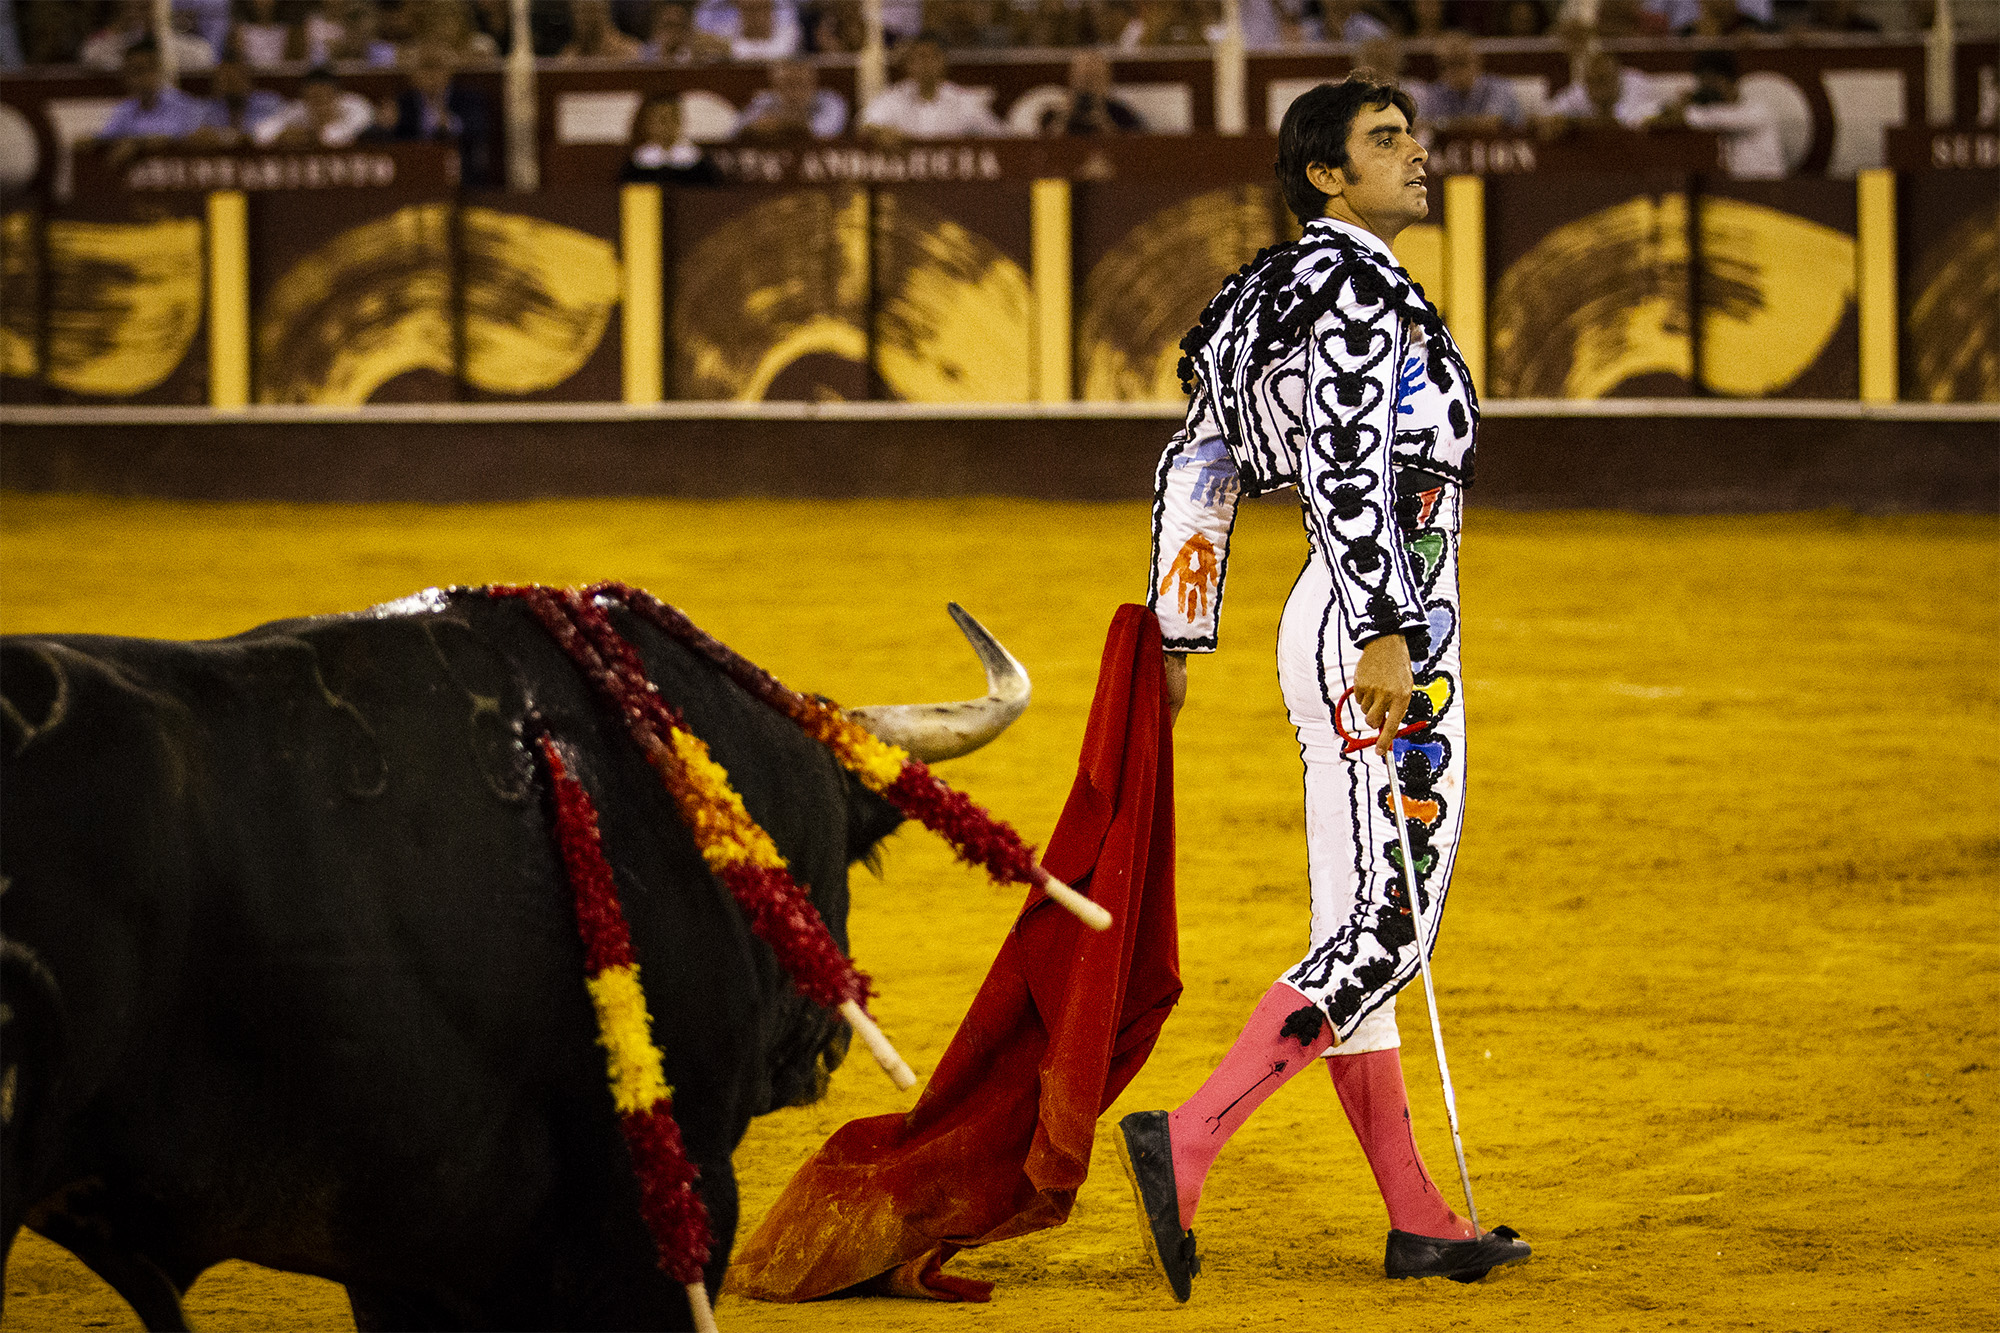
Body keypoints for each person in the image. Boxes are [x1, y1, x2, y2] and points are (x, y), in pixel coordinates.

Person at [1115, 75, 1531, 1302]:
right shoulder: (1354, 286)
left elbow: (1195, 461)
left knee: (1361, 926)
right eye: (1386, 141)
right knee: (1388, 928)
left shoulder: (1253, 298)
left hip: (1336, 616)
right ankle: (1188, 1134)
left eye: (1414, 135)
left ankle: (1415, 1216)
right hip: (1376, 626)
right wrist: (1390, 626)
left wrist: (1180, 636)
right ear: (1324, 176)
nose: (1419, 155)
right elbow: (1351, 468)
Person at [1651, 48, 1785, 179]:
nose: (1703, 89)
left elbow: (1714, 118)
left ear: (1721, 81)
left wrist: (1682, 109)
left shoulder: (1757, 110)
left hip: (1765, 189)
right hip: (1733, 192)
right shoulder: (1713, 111)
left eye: (1706, 82)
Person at [375, 41, 497, 184]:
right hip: (413, 175)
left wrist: (451, 123)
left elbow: (479, 129)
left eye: (437, 67)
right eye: (425, 68)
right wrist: (386, 128)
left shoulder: (467, 98)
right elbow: (391, 145)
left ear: (449, 71)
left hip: (460, 178)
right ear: (413, 75)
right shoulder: (402, 102)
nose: (431, 75)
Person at [857, 31, 1004, 142]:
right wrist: (880, 132)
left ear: (943, 62)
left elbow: (1002, 137)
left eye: (932, 57)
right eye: (920, 57)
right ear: (909, 64)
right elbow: (864, 124)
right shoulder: (894, 97)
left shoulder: (963, 100)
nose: (926, 64)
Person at [98, 40, 214, 144]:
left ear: (157, 70)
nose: (136, 79)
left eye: (141, 70)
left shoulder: (185, 106)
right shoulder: (126, 109)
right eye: (131, 73)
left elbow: (191, 140)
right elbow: (105, 140)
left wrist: (139, 145)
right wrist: (89, 141)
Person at [1414, 30, 1523, 133]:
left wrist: (1442, 124)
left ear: (1477, 61)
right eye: (1446, 65)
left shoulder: (1499, 87)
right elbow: (1419, 125)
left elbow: (1490, 124)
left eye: (1461, 62)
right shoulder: (1436, 92)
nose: (1454, 71)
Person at [1541, 47, 1658, 129]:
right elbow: (1545, 117)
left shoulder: (1638, 85)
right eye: (1591, 81)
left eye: (1603, 80)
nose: (1597, 88)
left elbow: (1638, 122)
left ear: (1617, 77)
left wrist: (1576, 123)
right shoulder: (1579, 91)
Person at [256, 64, 375, 145]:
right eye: (312, 97)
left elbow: (336, 139)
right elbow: (261, 133)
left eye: (323, 96)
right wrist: (282, 135)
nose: (318, 102)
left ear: (336, 94)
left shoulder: (357, 107)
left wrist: (309, 134)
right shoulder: (298, 108)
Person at [190, 45, 287, 142]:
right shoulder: (206, 112)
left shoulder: (271, 105)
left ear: (248, 79)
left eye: (236, 79)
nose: (231, 86)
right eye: (225, 79)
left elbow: (278, 133)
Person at [734, 58, 848, 140]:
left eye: (801, 84)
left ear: (814, 85)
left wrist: (780, 124)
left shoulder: (831, 101)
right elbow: (736, 129)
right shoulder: (764, 101)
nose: (794, 93)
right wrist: (753, 128)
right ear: (774, 86)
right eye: (787, 85)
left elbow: (825, 132)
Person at [621, 93, 721, 183]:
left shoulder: (699, 163)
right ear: (648, 123)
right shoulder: (636, 165)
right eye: (662, 119)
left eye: (674, 118)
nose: (668, 125)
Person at [1040, 50, 1142, 135]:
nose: (1088, 85)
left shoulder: (1121, 115)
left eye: (1094, 78)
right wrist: (1063, 119)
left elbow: (1136, 145)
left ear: (1107, 80)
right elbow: (1040, 145)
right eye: (1083, 77)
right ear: (1071, 79)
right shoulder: (1053, 114)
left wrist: (1106, 123)